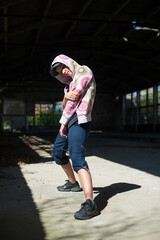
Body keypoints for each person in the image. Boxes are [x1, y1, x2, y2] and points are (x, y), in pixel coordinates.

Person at [50, 54, 100, 220]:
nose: (63, 72)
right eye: (59, 72)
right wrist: (65, 97)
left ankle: (90, 203)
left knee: (77, 159)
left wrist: (63, 123)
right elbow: (65, 105)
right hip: (68, 120)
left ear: (69, 63)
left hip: (79, 121)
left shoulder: (84, 71)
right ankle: (73, 183)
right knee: (57, 152)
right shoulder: (68, 86)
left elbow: (75, 99)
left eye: (63, 67)